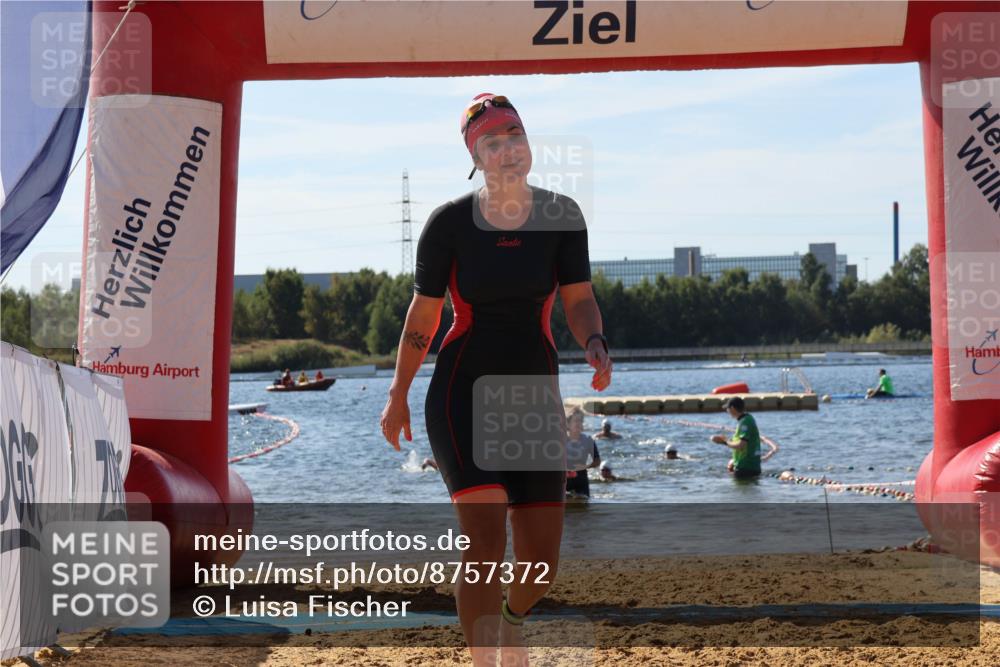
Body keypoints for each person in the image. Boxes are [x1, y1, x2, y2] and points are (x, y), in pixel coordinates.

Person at [379, 92, 612, 667]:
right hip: (463, 394)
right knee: (483, 546)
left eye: (516, 136)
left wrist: (594, 341)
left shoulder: (562, 216)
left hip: (534, 396)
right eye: (493, 142)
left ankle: (510, 624)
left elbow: (579, 300)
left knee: (541, 566)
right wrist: (398, 394)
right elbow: (423, 317)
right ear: (476, 156)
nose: (508, 149)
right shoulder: (450, 224)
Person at [711, 396, 761, 479]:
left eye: (727, 409)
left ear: (732, 408)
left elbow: (741, 445)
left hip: (745, 468)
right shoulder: (747, 418)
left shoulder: (745, 422)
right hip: (749, 466)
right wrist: (727, 440)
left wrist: (724, 442)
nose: (727, 411)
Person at [564, 407, 600, 499]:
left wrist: (585, 466)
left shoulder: (588, 440)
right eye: (575, 421)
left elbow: (597, 461)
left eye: (580, 421)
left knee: (583, 504)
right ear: (568, 423)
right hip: (564, 481)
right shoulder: (560, 440)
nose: (578, 423)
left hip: (581, 480)